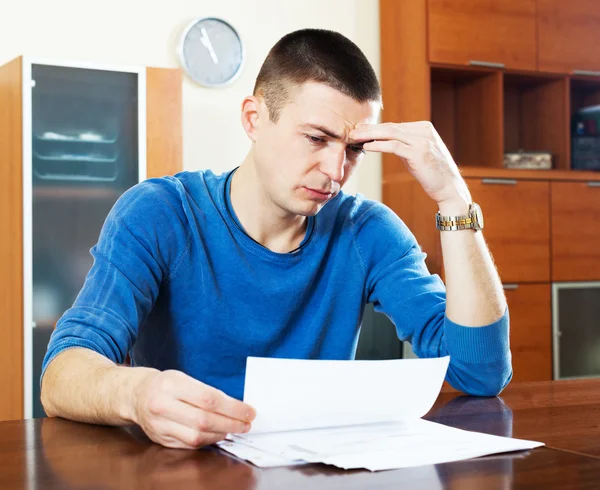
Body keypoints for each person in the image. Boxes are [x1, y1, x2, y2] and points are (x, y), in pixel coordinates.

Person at [40, 28, 511, 450]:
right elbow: (61, 375)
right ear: (253, 118)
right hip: (185, 470)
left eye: (352, 150)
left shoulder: (368, 231)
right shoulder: (160, 213)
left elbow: (480, 371)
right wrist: (138, 394)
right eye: (316, 139)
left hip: (314, 471)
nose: (335, 172)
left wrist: (453, 199)